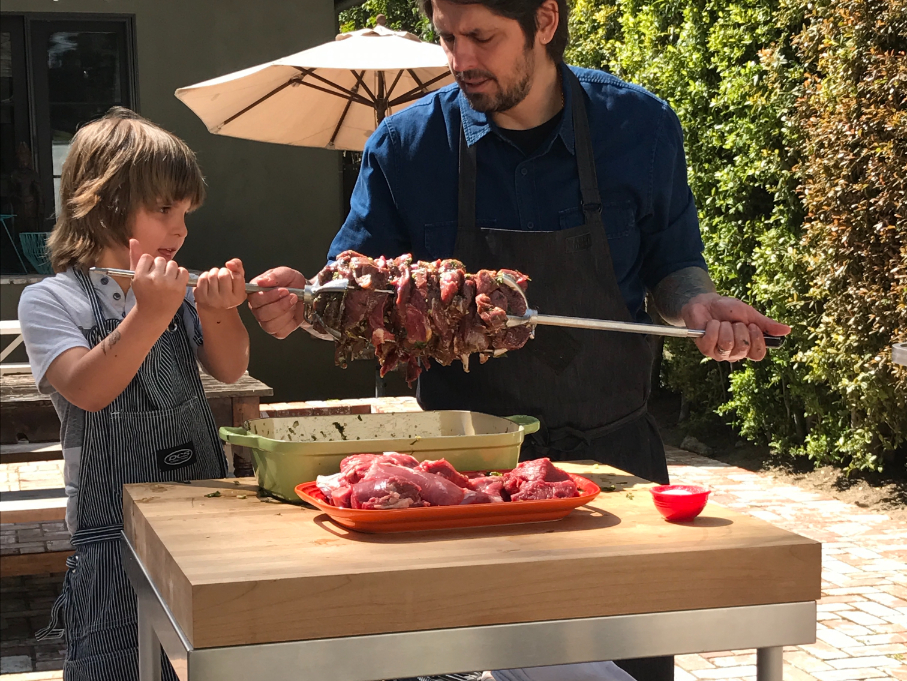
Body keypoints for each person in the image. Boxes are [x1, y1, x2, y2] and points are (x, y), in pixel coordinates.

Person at [247, 0, 790, 678]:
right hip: (458, 479)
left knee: (628, 665)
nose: (460, 60)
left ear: (543, 20)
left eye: (481, 37)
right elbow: (349, 295)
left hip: (614, 468)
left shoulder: (639, 126)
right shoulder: (406, 145)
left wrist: (698, 303)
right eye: (447, 37)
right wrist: (301, 302)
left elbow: (670, 267)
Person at [18, 107, 250, 681]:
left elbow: (231, 367)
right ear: (102, 203)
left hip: (201, 517)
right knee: (117, 667)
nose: (181, 230)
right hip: (112, 537)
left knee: (207, 658)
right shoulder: (51, 301)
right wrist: (150, 314)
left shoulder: (177, 288)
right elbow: (87, 390)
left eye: (187, 213)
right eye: (164, 209)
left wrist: (220, 311)